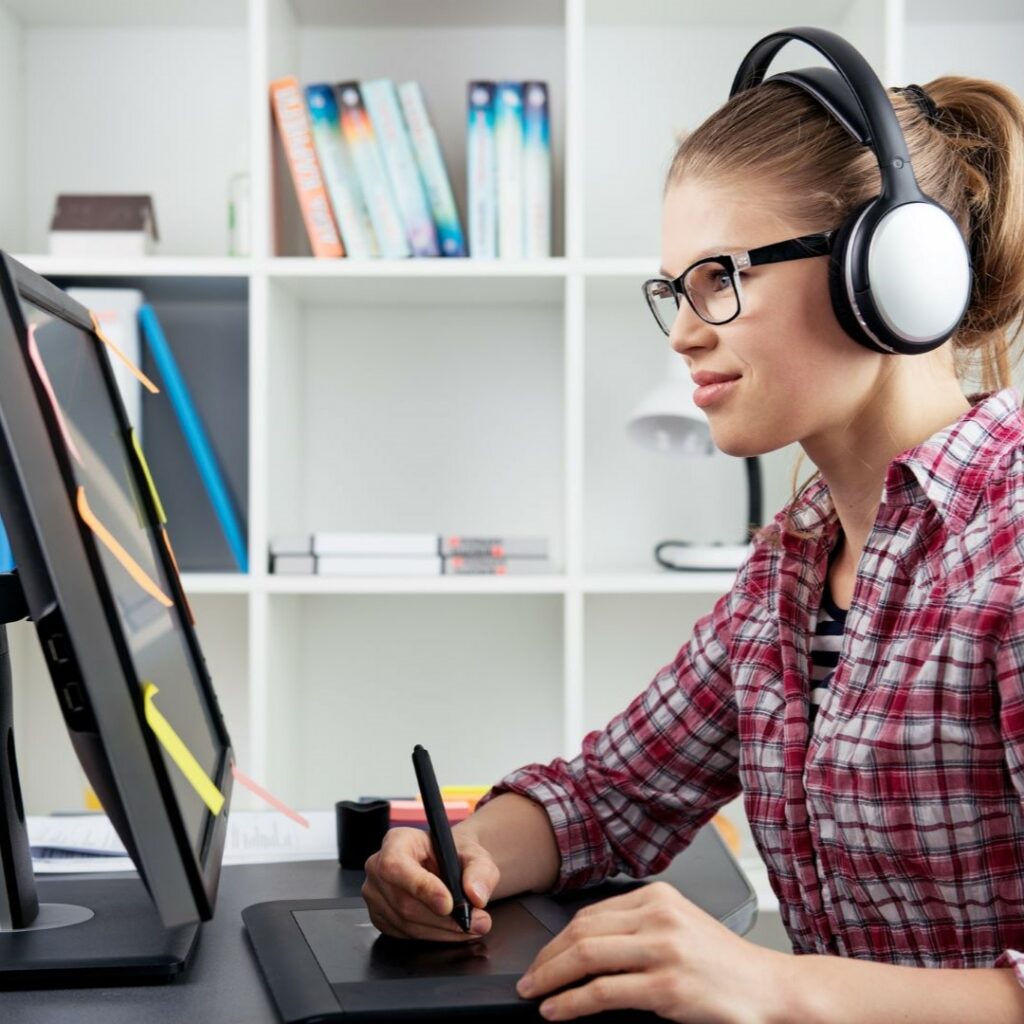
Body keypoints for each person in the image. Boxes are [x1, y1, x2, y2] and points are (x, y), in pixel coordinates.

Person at [363, 39, 1024, 1024]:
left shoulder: (1005, 551)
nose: (681, 331)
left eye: (720, 278)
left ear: (885, 272)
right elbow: (606, 794)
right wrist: (462, 855)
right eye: (674, 289)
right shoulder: (791, 572)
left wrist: (772, 985)